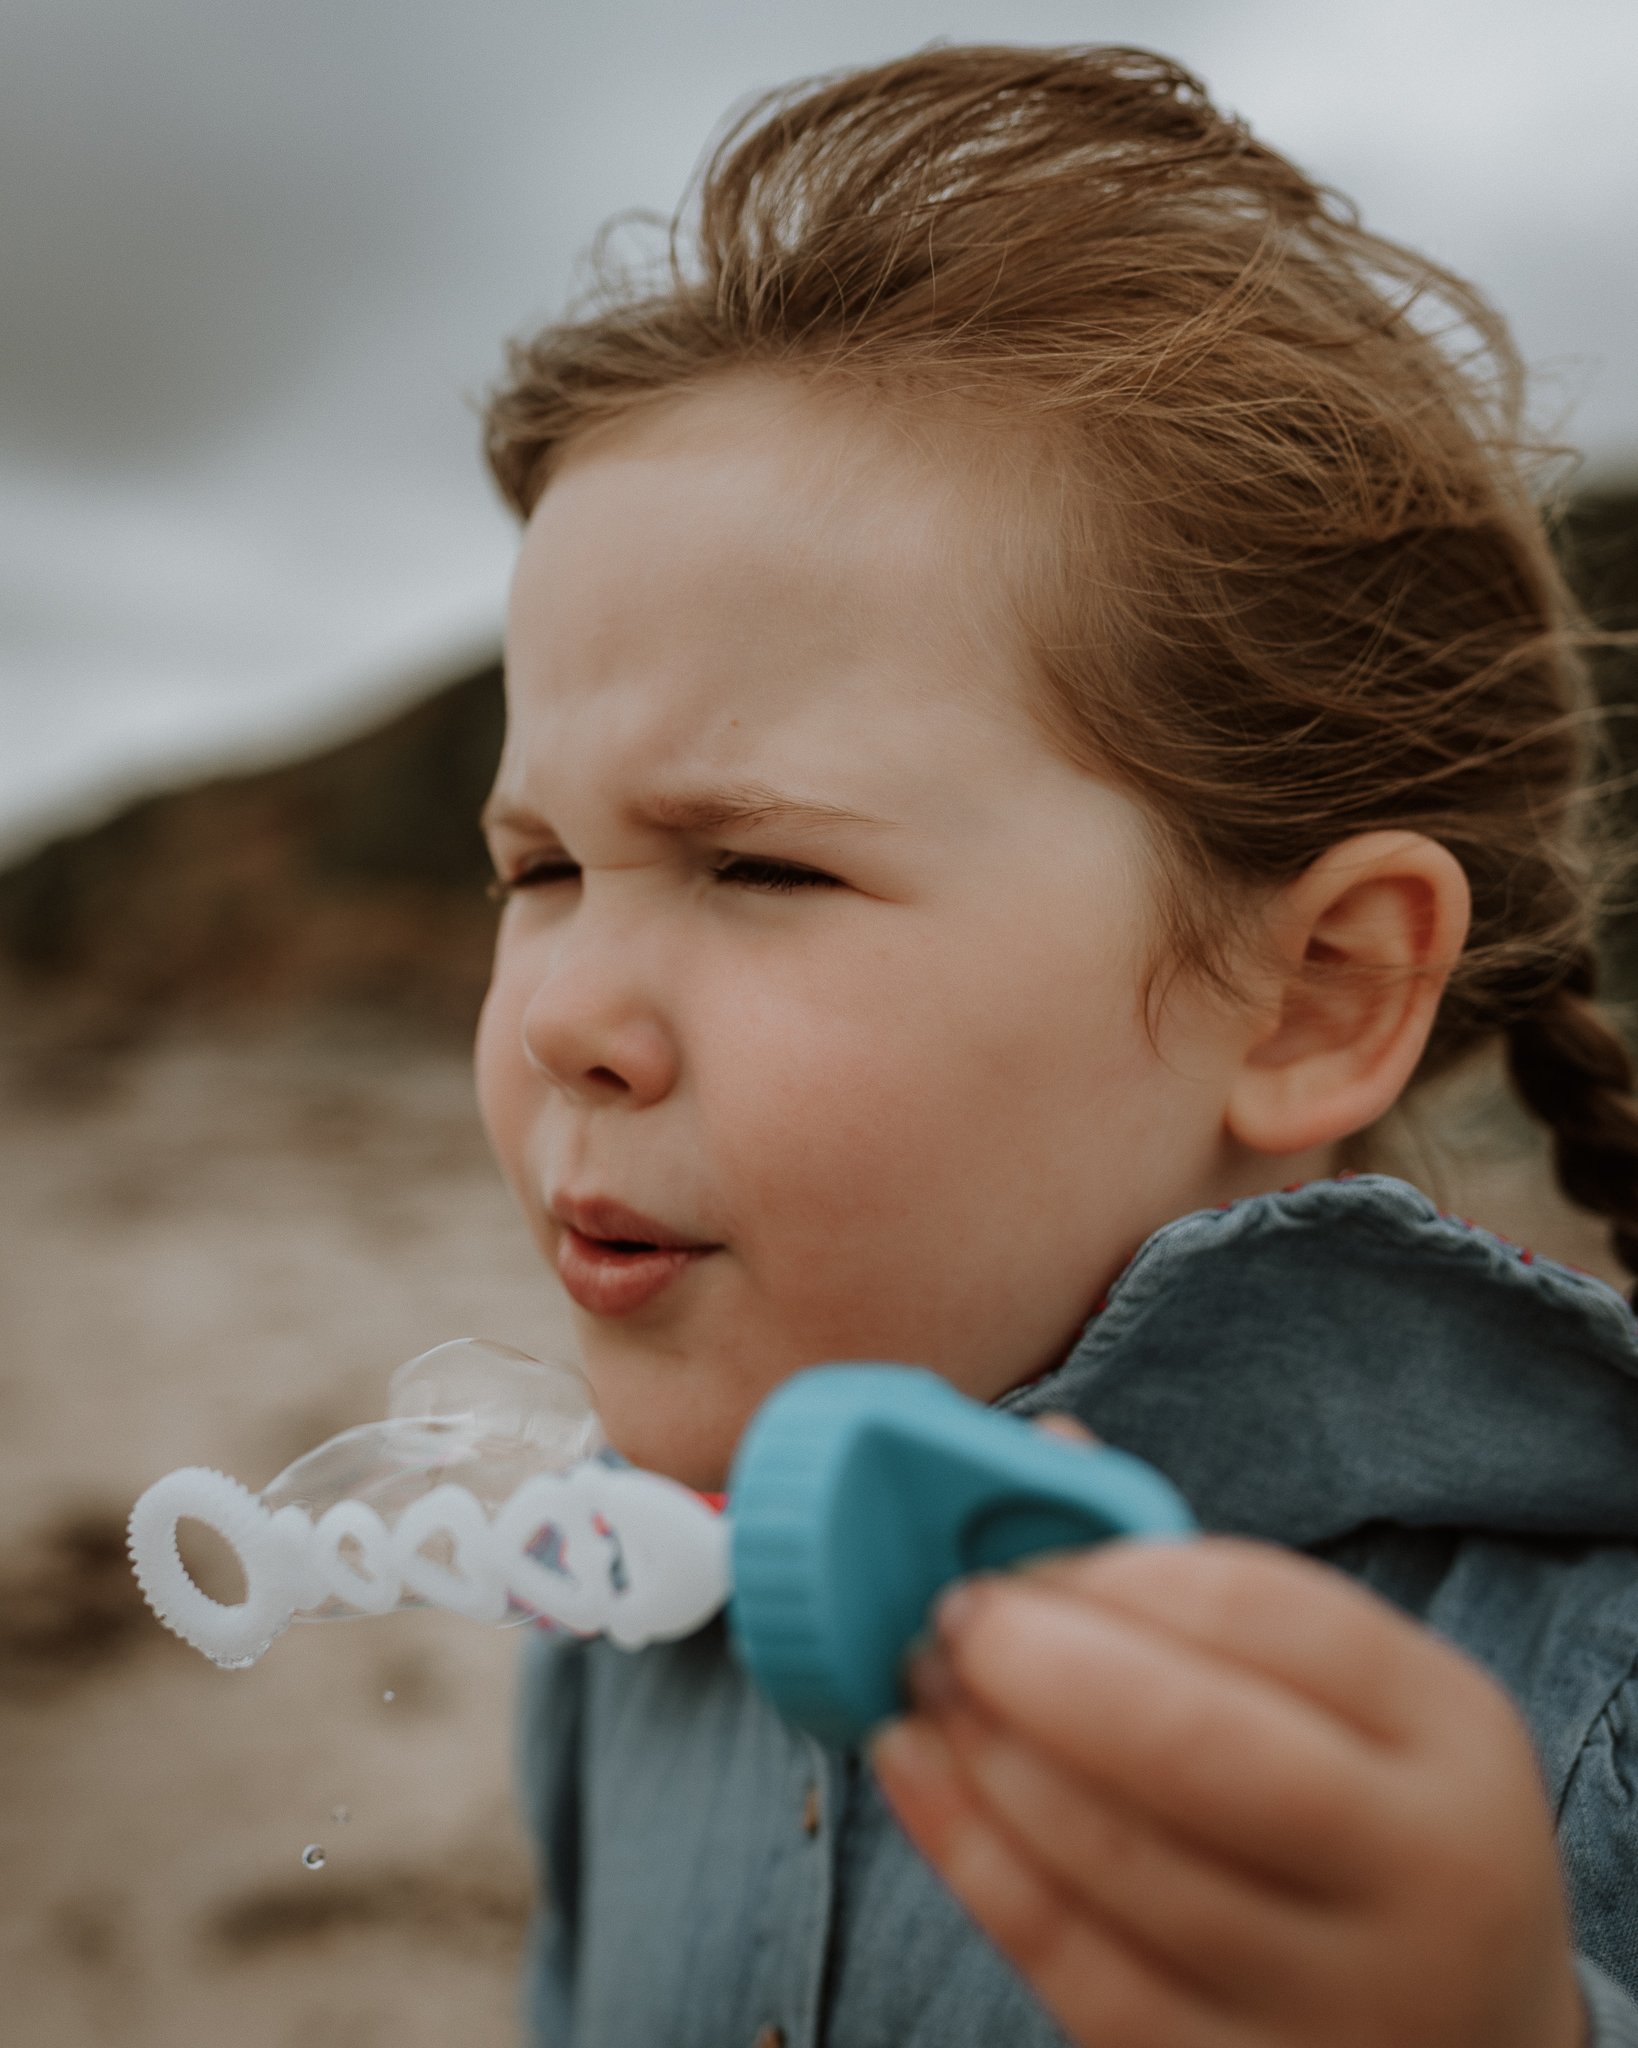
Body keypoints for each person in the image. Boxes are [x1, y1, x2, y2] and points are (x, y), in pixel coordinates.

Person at [472, 42, 1638, 2048]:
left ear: (1315, 993)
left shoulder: (1582, 1699)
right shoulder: (616, 1596)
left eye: (758, 865)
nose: (562, 1011)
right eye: (539, 866)